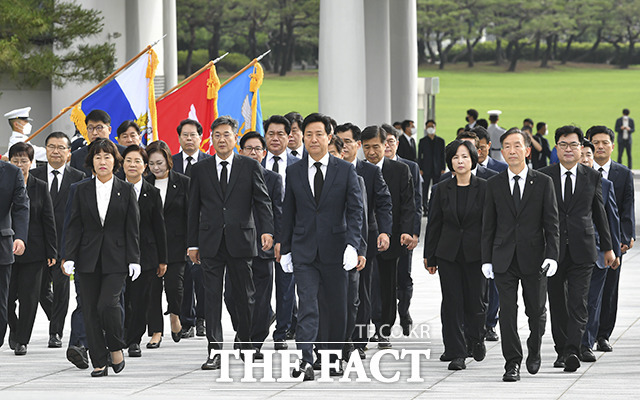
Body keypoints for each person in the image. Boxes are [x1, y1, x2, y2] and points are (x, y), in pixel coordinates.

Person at [279, 113, 363, 380]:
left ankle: (333, 356)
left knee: (337, 306)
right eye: (308, 135)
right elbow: (288, 211)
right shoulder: (293, 171)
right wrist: (286, 247)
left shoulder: (345, 170)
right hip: (304, 250)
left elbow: (355, 211)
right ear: (302, 138)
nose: (313, 140)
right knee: (307, 305)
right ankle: (306, 358)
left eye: (319, 134)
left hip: (336, 250)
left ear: (329, 137)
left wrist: (354, 245)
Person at [188, 116, 274, 370]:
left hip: (242, 240)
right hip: (210, 242)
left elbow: (262, 201)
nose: (222, 139)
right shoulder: (200, 169)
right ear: (211, 139)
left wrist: (267, 230)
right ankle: (214, 350)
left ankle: (246, 345)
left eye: (226, 134)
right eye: (217, 135)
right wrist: (192, 243)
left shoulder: (249, 166)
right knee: (212, 298)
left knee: (244, 296)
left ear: (235, 138)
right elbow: (193, 209)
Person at [482, 127, 559, 382]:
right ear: (501, 151)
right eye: (507, 147)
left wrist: (552, 255)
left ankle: (534, 348)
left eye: (517, 146)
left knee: (536, 311)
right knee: (507, 312)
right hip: (503, 258)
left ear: (527, 151)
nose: (512, 151)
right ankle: (511, 362)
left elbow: (552, 224)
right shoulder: (493, 184)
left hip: (534, 258)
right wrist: (486, 259)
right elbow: (488, 226)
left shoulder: (543, 182)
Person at [63, 138, 140, 377]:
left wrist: (134, 259)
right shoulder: (80, 189)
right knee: (89, 309)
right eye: (98, 157)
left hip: (117, 258)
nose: (102, 161)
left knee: (108, 304)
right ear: (91, 162)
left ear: (115, 161)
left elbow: (132, 228)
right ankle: (99, 360)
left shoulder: (126, 189)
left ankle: (115, 346)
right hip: (87, 258)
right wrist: (69, 256)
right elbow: (72, 225)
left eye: (107, 157)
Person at [540, 125, 613, 372]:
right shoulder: (543, 176)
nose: (569, 149)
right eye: (563, 144)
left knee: (579, 303)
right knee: (557, 302)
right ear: (556, 148)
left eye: (573, 145)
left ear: (581, 148)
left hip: (583, 247)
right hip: (552, 251)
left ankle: (572, 350)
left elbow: (600, 213)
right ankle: (562, 350)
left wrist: (608, 247)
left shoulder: (592, 176)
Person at [425, 140, 487, 371]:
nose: (460, 161)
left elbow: (489, 225)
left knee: (476, 302)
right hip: (448, 254)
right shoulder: (440, 189)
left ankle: (476, 338)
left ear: (473, 160)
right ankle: (457, 352)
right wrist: (430, 257)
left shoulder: (485, 187)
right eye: (455, 157)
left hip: (477, 255)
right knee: (452, 303)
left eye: (464, 157)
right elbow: (434, 224)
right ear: (450, 162)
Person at [335, 123, 392, 360]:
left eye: (348, 141)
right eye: (339, 141)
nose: (343, 146)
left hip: (363, 238)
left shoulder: (368, 172)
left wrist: (384, 232)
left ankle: (359, 340)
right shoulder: (329, 170)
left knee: (361, 291)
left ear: (357, 145)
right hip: (333, 238)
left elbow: (384, 203)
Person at [224, 131, 282, 358]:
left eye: (258, 149)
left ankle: (254, 342)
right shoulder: (232, 176)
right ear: (241, 151)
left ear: (264, 153)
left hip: (263, 248)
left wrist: (277, 239)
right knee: (231, 295)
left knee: (260, 297)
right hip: (237, 246)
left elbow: (278, 212)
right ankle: (243, 330)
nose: (254, 152)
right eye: (249, 148)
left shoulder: (274, 179)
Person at [31, 132, 86, 350]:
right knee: (40, 289)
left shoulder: (79, 177)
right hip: (38, 242)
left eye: (61, 147)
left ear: (69, 153)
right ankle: (56, 318)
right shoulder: (33, 176)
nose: (56, 151)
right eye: (52, 146)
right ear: (45, 150)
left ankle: (56, 331)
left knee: (62, 288)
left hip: (66, 243)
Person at [361, 125, 414, 349]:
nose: (372, 152)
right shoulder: (356, 169)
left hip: (390, 237)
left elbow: (409, 204)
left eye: (376, 146)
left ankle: (384, 329)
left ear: (386, 145)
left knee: (387, 284)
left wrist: (407, 231)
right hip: (363, 237)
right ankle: (365, 328)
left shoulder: (400, 170)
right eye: (367, 147)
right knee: (366, 286)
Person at [586, 125, 635, 353]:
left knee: (609, 289)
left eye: (605, 142)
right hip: (586, 241)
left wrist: (626, 237)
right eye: (596, 142)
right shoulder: (582, 171)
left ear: (613, 146)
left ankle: (603, 335)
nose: (600, 146)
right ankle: (586, 333)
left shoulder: (622, 173)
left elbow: (625, 209)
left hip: (613, 243)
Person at [7, 142, 56, 355]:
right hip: (6, 250)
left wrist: (52, 251)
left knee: (29, 298)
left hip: (35, 251)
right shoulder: (4, 183)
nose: (19, 165)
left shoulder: (40, 186)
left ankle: (22, 340)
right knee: (7, 298)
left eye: (23, 161)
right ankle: (14, 328)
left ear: (31, 162)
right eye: (15, 161)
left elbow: (48, 220)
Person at [121, 145, 168, 358]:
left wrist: (162, 259)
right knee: (120, 299)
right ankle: (118, 334)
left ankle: (133, 340)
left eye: (138, 161)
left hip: (146, 256)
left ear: (145, 167)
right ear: (122, 164)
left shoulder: (153, 193)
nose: (133, 165)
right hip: (118, 253)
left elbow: (160, 228)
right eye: (129, 160)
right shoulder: (114, 189)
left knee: (140, 300)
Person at [579, 139, 621, 362]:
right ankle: (570, 344)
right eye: (582, 154)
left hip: (598, 251)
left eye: (589, 155)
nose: (585, 159)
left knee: (592, 301)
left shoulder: (604, 184)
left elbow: (611, 220)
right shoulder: (559, 182)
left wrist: (613, 250)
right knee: (572, 301)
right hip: (570, 253)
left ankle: (586, 343)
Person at [145, 140, 190, 347]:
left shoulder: (183, 183)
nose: (156, 167)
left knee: (175, 286)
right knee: (152, 290)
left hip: (176, 244)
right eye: (152, 163)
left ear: (168, 161)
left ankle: (174, 314)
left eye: (160, 163)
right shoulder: (144, 185)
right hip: (150, 246)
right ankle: (155, 331)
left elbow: (191, 215)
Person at [262, 114, 300, 350]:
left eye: (280, 134)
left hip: (293, 236)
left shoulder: (300, 165)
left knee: (286, 288)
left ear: (289, 137)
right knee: (260, 288)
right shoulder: (254, 165)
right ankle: (263, 322)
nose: (275, 139)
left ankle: (282, 332)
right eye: (270, 134)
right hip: (262, 238)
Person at [171, 119, 211, 338]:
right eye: (184, 135)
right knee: (183, 277)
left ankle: (203, 318)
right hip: (178, 229)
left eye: (193, 135)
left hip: (204, 227)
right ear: (179, 138)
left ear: (200, 137)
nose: (189, 139)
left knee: (202, 276)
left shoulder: (209, 162)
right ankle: (187, 320)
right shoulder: (172, 162)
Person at [381, 124, 422, 337]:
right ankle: (383, 320)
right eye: (384, 141)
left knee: (403, 276)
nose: (387, 146)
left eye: (391, 141)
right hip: (382, 233)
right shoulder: (371, 167)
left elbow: (415, 201)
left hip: (403, 232)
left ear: (397, 143)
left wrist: (414, 232)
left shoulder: (410, 167)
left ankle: (403, 311)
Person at [0, 158, 29, 349]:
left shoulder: (12, 172)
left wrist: (20, 236)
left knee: (1, 300)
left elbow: (21, 207)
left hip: (2, 243)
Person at [70, 110, 126, 176]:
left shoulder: (124, 152)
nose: (94, 133)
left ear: (109, 130)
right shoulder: (76, 156)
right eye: (90, 128)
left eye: (99, 128)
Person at [417, 119, 445, 213]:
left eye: (432, 126)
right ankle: (425, 207)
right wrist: (420, 168)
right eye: (428, 126)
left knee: (436, 189)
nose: (430, 128)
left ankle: (435, 207)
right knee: (424, 189)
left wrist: (443, 168)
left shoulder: (441, 141)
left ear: (435, 127)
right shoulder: (422, 141)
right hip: (426, 168)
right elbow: (419, 156)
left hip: (437, 169)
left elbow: (443, 155)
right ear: (425, 128)